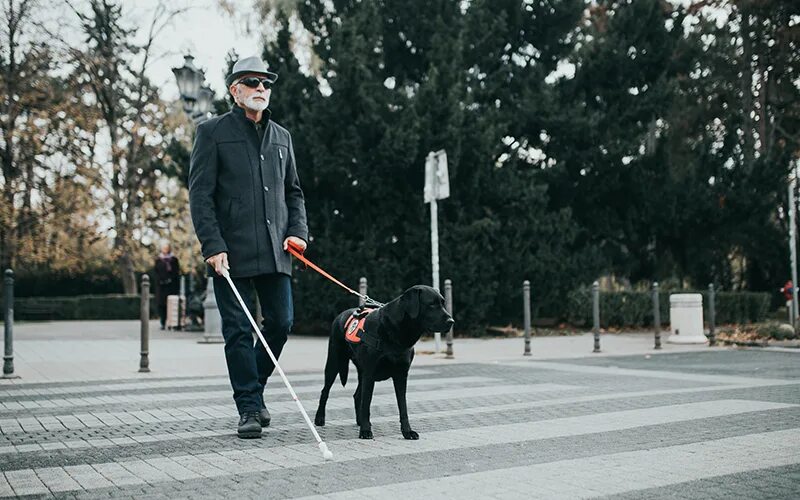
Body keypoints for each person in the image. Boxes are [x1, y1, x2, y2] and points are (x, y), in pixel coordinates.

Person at [188, 56, 308, 439]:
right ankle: (249, 408)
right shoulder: (212, 133)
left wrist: (299, 232)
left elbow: (294, 193)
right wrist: (212, 245)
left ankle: (251, 390)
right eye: (252, 82)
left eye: (266, 84)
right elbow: (200, 195)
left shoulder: (282, 137)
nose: (261, 89)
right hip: (230, 253)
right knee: (238, 331)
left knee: (282, 323)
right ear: (234, 90)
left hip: (277, 251)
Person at [154, 242, 180, 330]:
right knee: (162, 305)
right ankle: (162, 322)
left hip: (171, 286)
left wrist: (171, 280)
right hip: (161, 287)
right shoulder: (158, 260)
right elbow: (156, 273)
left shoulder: (174, 260)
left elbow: (176, 273)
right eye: (163, 248)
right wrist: (160, 281)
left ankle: (171, 323)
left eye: (166, 248)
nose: (165, 250)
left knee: (171, 305)